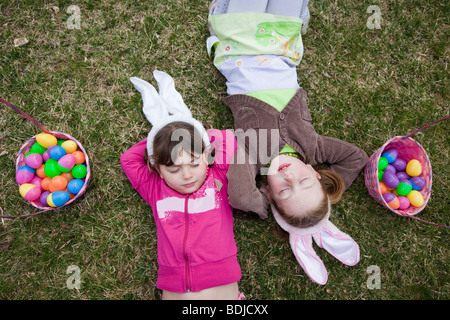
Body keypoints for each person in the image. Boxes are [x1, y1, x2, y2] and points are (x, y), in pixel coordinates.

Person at [208, 0, 368, 284]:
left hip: (240, 44)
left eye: (284, 191)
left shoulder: (253, 156)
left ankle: (221, 15)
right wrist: (329, 195)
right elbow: (356, 158)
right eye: (304, 183)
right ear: (316, 174)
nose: (289, 176)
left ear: (270, 194)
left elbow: (241, 196)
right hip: (281, 46)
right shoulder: (314, 148)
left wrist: (262, 204)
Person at [120, 71, 243, 299]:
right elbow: (128, 159)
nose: (187, 175)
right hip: (174, 282)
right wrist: (160, 134)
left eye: (194, 164)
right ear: (158, 168)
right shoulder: (155, 189)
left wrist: (192, 130)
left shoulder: (218, 179)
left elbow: (227, 138)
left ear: (206, 157)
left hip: (221, 281)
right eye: (174, 169)